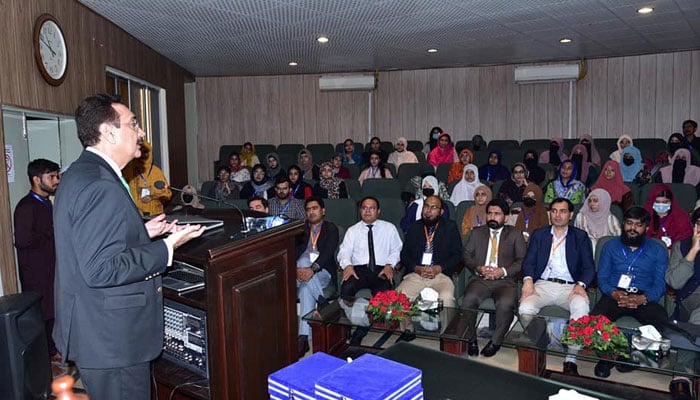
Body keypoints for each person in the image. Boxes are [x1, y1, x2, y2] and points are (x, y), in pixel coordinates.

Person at [53, 93, 204, 400]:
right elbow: (100, 269)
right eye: (134, 123)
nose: (142, 132)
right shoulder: (99, 185)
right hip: (113, 341)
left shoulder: (81, 173)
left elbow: (91, 240)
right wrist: (167, 248)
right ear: (109, 132)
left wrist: (142, 232)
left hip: (99, 333)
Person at [519, 198, 595, 376]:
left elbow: (589, 268)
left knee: (581, 306)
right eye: (554, 211)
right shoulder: (539, 234)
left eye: (562, 211)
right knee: (525, 308)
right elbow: (528, 262)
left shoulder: (580, 236)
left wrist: (581, 284)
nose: (558, 215)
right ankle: (542, 340)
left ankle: (571, 358)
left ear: (570, 215)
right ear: (549, 213)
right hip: (543, 284)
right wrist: (528, 280)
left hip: (569, 287)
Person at [591, 206, 670, 378]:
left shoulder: (657, 249)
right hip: (615, 294)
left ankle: (634, 357)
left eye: (638, 224)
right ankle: (607, 357)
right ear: (623, 225)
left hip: (644, 296)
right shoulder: (610, 246)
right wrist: (613, 293)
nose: (632, 228)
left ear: (646, 228)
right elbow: (602, 279)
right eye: (629, 223)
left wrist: (643, 298)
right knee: (595, 321)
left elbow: (660, 284)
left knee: (662, 325)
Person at [462, 199, 527, 357]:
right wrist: (478, 267)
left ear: (505, 217)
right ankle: (471, 339)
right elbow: (466, 255)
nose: (492, 216)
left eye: (497, 214)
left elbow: (522, 260)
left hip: (504, 281)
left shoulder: (515, 234)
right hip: (480, 279)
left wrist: (503, 271)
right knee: (468, 300)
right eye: (489, 213)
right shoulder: (477, 232)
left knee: (505, 303)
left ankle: (496, 341)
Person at [337, 196, 402, 345]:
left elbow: (397, 250)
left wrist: (389, 265)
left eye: (371, 208)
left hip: (381, 269)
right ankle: (345, 329)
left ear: (378, 211)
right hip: (358, 270)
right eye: (364, 208)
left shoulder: (389, 228)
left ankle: (361, 331)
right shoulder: (352, 230)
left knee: (384, 291)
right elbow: (344, 252)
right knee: (346, 288)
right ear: (360, 210)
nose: (367, 211)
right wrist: (347, 265)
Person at [14, 158, 61, 361]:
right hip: (36, 273)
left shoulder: (46, 203)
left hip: (50, 269)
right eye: (51, 177)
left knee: (52, 313)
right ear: (36, 179)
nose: (56, 180)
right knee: (41, 316)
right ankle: (44, 359)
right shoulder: (26, 206)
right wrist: (51, 232)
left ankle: (53, 352)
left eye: (57, 176)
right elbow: (23, 241)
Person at [397, 195, 461, 307]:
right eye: (426, 206)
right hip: (416, 274)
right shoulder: (414, 227)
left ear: (441, 212)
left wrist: (439, 267)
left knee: (446, 299)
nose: (428, 210)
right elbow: (405, 254)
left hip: (440, 275)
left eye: (433, 207)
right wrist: (416, 268)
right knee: (397, 300)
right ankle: (405, 325)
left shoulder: (450, 227)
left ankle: (447, 325)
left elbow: (458, 254)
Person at [296, 197, 339, 357]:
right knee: (303, 263)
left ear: (323, 210)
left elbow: (328, 253)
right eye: (308, 209)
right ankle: (322, 301)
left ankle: (303, 338)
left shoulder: (330, 228)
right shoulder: (300, 229)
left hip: (322, 272)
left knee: (306, 287)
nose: (311, 212)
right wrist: (296, 269)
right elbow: (291, 251)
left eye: (315, 208)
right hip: (299, 274)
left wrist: (311, 269)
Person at [666, 207, 700, 400]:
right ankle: (682, 375)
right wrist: (694, 251)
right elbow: (675, 283)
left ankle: (682, 376)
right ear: (695, 226)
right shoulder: (683, 246)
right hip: (691, 297)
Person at [123, 140, 172, 216]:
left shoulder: (156, 172)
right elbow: (122, 192)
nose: (143, 155)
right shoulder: (129, 170)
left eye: (145, 152)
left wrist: (152, 197)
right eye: (141, 151)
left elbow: (167, 194)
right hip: (136, 214)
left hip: (156, 214)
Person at [644, 184, 692, 249]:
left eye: (665, 202)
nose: (661, 205)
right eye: (657, 202)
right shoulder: (644, 217)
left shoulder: (681, 218)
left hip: (675, 254)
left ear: (671, 202)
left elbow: (685, 241)